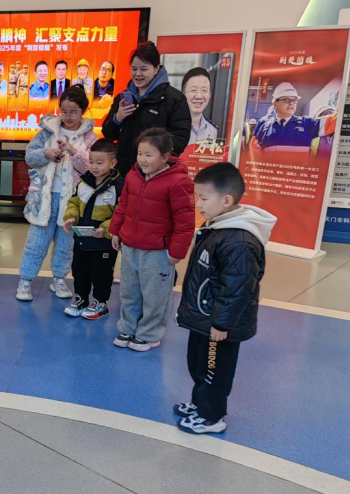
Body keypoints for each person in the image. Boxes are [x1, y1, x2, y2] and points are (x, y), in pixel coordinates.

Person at [175, 163, 277, 434]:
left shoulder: (239, 241)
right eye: (197, 197)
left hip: (219, 325)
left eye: (203, 198)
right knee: (199, 364)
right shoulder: (218, 228)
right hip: (205, 319)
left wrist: (221, 323)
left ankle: (212, 417)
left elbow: (238, 288)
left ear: (226, 200)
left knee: (214, 370)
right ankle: (200, 403)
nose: (198, 204)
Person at [109, 128, 195, 351]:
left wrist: (176, 252)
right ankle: (128, 328)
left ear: (165, 157)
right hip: (130, 246)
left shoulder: (178, 182)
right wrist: (116, 230)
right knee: (129, 291)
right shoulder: (133, 176)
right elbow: (123, 206)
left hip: (158, 251)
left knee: (155, 295)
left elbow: (185, 222)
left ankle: (149, 334)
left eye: (149, 155)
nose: (143, 159)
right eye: (140, 153)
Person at [16, 86, 98, 302]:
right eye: (64, 111)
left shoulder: (90, 137)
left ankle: (59, 279)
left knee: (65, 243)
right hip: (44, 196)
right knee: (36, 241)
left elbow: (94, 167)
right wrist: (47, 153)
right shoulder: (47, 131)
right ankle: (25, 280)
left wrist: (74, 152)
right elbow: (30, 156)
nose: (68, 117)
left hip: (73, 201)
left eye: (73, 112)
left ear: (83, 111)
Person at [102, 42, 191, 177]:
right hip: (123, 172)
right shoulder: (123, 97)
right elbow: (108, 134)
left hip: (155, 173)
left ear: (156, 69)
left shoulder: (173, 99)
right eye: (134, 69)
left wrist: (157, 162)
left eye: (144, 69)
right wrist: (118, 118)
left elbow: (180, 137)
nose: (137, 74)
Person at [62, 139, 123, 319]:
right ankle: (81, 299)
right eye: (91, 162)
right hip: (82, 239)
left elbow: (121, 213)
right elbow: (74, 202)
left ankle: (100, 303)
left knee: (101, 274)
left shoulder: (119, 186)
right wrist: (71, 217)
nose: (94, 167)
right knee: (80, 271)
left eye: (99, 163)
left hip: (104, 242)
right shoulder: (83, 182)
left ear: (112, 163)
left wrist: (105, 230)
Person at [251, 82, 337, 151]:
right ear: (275, 104)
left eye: (294, 100)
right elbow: (253, 151)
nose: (291, 103)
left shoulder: (308, 124)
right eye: (287, 100)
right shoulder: (263, 124)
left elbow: (334, 121)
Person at [183, 68, 218, 145]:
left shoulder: (213, 130)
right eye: (193, 90)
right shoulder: (170, 127)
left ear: (209, 95)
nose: (199, 96)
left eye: (204, 90)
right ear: (183, 94)